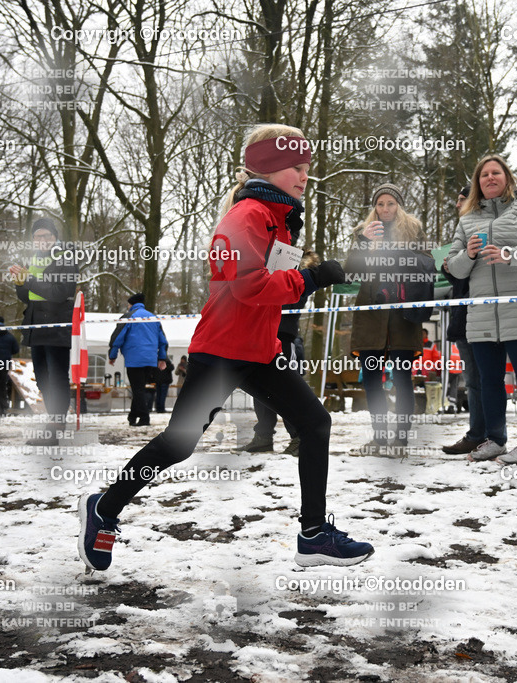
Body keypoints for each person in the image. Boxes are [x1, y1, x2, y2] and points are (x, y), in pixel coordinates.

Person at [78, 123, 372, 571]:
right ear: (270, 169)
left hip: (259, 351)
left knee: (315, 423)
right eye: (296, 166)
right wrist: (311, 278)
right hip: (221, 351)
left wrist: (320, 274)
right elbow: (248, 286)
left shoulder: (279, 221)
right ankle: (105, 508)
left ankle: (313, 534)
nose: (304, 175)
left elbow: (273, 289)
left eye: (306, 167)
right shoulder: (245, 216)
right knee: (179, 443)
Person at [445, 154, 517, 465]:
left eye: (496, 173)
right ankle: (495, 440)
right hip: (481, 313)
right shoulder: (466, 220)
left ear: (507, 177)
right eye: (483, 175)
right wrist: (467, 254)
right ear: (477, 183)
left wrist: (510, 254)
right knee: (489, 380)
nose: (489, 178)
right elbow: (454, 268)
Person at [344, 183, 431, 456]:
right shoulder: (363, 232)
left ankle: (401, 439)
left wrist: (400, 253)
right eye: (380, 204)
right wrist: (364, 244)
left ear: (399, 206)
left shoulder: (414, 231)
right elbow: (349, 274)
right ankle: (380, 438)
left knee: (403, 376)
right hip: (370, 316)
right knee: (371, 378)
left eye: (390, 204)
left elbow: (429, 265)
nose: (385, 209)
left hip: (403, 317)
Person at [10, 218, 79, 446]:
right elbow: (25, 296)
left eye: (47, 236)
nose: (42, 240)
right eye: (38, 236)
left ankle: (56, 426)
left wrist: (29, 280)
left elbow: (60, 292)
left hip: (57, 324)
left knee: (56, 378)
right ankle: (53, 422)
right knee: (42, 378)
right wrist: (20, 283)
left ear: (55, 238)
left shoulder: (66, 258)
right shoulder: (33, 260)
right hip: (35, 324)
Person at [235, 271, 314, 457]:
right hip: (259, 335)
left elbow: (293, 299)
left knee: (285, 390)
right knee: (260, 389)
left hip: (283, 336)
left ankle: (299, 436)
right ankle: (263, 437)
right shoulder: (262, 268)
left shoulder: (296, 273)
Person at [442, 186, 487, 454]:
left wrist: (460, 264)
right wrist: (449, 267)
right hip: (463, 320)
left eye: (463, 200)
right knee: (472, 381)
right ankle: (478, 434)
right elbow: (460, 282)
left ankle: (484, 435)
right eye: (458, 200)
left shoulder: (484, 231)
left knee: (481, 380)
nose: (459, 204)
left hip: (480, 318)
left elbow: (480, 278)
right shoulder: (461, 234)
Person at [109, 293, 167, 427]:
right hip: (150, 359)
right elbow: (162, 340)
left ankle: (144, 418)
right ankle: (132, 416)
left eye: (128, 304)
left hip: (134, 358)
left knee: (138, 389)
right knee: (139, 388)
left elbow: (117, 338)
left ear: (131, 304)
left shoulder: (129, 316)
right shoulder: (154, 318)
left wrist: (112, 355)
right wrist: (162, 357)